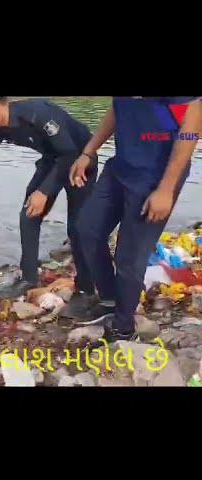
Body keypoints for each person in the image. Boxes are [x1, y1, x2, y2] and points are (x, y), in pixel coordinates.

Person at [70, 96, 202, 341]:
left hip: (155, 175)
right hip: (120, 167)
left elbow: (192, 125)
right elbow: (117, 108)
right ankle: (110, 300)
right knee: (87, 229)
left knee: (129, 258)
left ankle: (124, 329)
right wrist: (89, 151)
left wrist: (166, 189)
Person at [0, 96, 99, 316]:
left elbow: (68, 153)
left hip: (79, 161)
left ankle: (87, 289)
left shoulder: (38, 114)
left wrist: (44, 192)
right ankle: (29, 278)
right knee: (28, 216)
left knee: (77, 229)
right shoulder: (1, 126)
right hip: (52, 160)